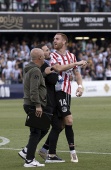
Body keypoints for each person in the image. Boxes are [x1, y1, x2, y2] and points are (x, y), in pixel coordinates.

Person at [18, 44, 87, 163]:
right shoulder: (40, 67)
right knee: (42, 129)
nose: (49, 52)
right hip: (46, 101)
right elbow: (50, 79)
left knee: (53, 126)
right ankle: (31, 156)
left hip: (47, 101)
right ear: (40, 55)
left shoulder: (39, 67)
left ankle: (41, 152)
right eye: (46, 51)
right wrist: (66, 71)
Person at [39, 33, 85, 163]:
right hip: (57, 92)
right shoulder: (52, 56)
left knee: (61, 124)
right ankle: (72, 153)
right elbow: (58, 68)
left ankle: (46, 149)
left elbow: (77, 73)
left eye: (57, 39)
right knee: (68, 120)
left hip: (67, 93)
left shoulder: (71, 56)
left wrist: (80, 86)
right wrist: (76, 63)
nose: (54, 41)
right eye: (53, 39)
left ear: (64, 41)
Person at [19, 48, 49, 167]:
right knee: (36, 132)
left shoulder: (30, 69)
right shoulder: (35, 71)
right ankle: (29, 160)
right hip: (33, 104)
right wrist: (38, 105)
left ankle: (27, 154)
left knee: (41, 129)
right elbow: (34, 90)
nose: (45, 58)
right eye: (43, 56)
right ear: (40, 58)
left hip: (29, 104)